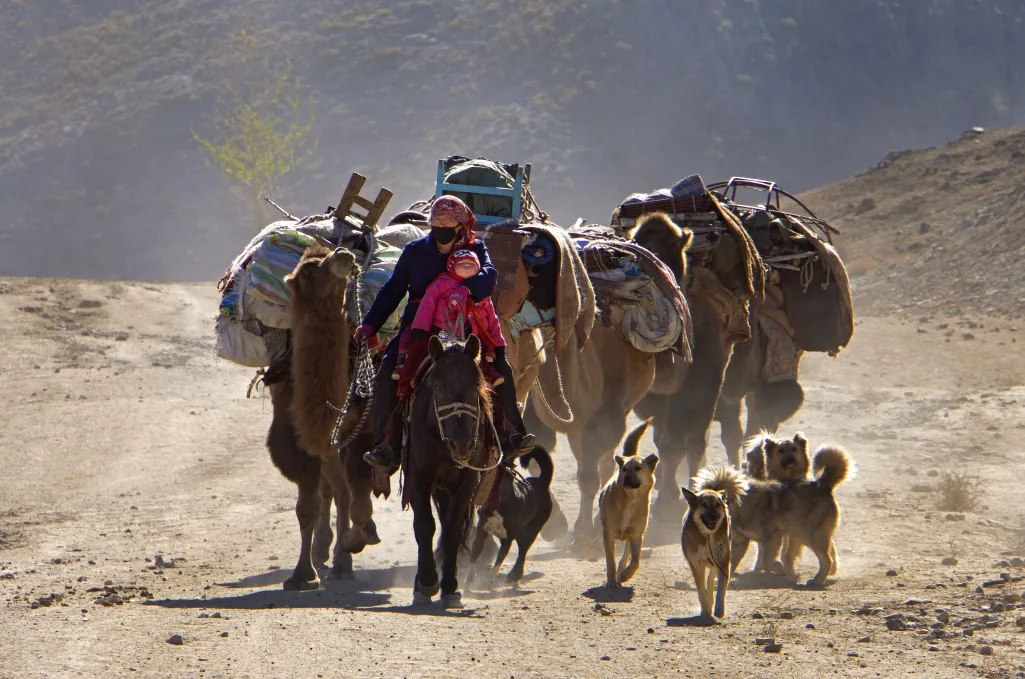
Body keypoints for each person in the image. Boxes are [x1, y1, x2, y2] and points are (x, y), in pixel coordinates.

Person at [354, 195, 535, 472]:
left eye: (448, 222)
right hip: (419, 328)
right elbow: (393, 290)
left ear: (461, 225)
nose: (441, 226)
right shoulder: (415, 251)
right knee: (389, 370)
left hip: (466, 326)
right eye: (436, 221)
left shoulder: (475, 249)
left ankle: (512, 434)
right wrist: (369, 325)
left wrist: (465, 289)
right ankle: (385, 447)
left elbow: (488, 279)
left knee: (499, 367)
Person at [397, 249, 505, 395]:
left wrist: (499, 344)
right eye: (462, 264)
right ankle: (410, 379)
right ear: (451, 267)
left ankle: (488, 379)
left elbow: (493, 320)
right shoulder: (441, 284)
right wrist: (420, 329)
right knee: (424, 352)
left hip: (469, 334)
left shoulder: (481, 294)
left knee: (480, 356)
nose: (467, 266)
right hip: (442, 331)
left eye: (471, 264)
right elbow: (427, 306)